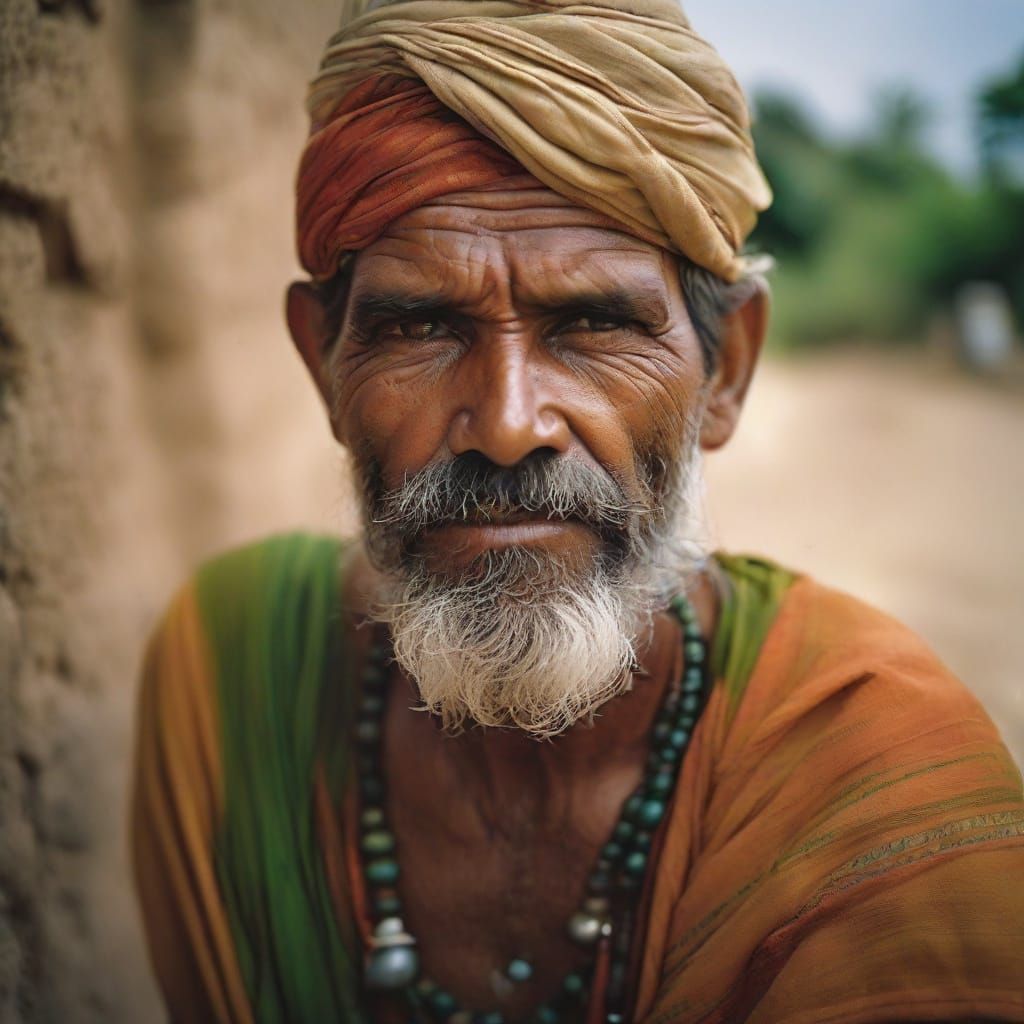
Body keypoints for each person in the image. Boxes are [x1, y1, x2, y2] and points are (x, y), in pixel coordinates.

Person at [130, 1, 1024, 1022]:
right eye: (420, 324)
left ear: (724, 372)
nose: (507, 425)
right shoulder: (225, 676)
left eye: (594, 323)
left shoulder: (883, 788)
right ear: (323, 367)